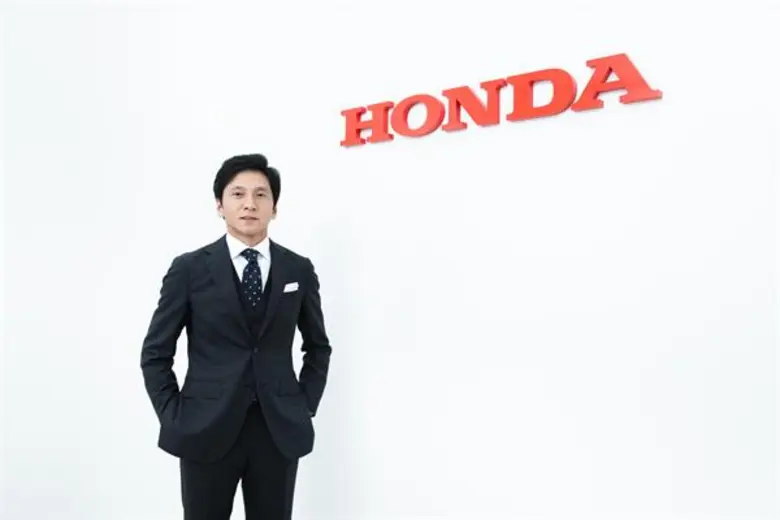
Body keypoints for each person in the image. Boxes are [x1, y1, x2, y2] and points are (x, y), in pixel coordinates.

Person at [140, 153, 332, 520]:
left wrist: (303, 404)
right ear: (220, 205)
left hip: (276, 429)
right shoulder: (189, 269)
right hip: (205, 426)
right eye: (238, 194)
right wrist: (173, 414)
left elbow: (318, 347)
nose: (249, 204)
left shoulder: (298, 269)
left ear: (274, 207)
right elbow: (155, 353)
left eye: (261, 195)